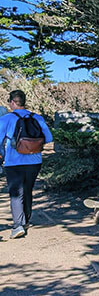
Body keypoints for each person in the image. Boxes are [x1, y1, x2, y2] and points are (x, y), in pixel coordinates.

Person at [0, 90, 53, 239]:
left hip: (14, 162)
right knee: (28, 189)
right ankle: (26, 221)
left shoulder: (6, 119)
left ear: (12, 102)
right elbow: (48, 138)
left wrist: (2, 154)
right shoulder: (37, 117)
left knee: (16, 193)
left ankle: (18, 226)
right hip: (34, 161)